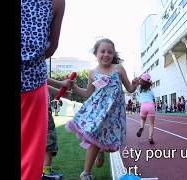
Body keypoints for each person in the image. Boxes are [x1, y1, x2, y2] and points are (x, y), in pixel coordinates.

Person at [65, 38, 139, 180]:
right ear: (96, 53)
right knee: (94, 140)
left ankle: (101, 151)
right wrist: (74, 87)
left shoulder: (118, 68)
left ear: (113, 55)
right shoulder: (92, 72)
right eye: (102, 51)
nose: (106, 54)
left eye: (110, 52)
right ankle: (85, 173)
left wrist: (135, 85)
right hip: (97, 112)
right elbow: (87, 94)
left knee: (110, 146)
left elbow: (129, 88)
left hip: (114, 114)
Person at [21, 0, 66, 180]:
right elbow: (51, 47)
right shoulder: (56, 2)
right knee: (30, 155)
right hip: (33, 81)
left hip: (34, 83)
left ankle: (46, 170)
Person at [135, 73, 156, 144]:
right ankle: (150, 137)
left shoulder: (139, 89)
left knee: (142, 119)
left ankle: (141, 127)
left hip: (143, 106)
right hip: (151, 105)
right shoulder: (150, 90)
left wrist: (140, 77)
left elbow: (137, 81)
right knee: (151, 123)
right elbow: (153, 99)